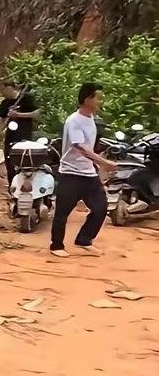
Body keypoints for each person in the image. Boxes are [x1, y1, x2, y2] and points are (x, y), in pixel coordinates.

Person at [50, 83, 113, 257]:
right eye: (98, 98)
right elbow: (81, 148)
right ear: (87, 99)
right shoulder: (74, 121)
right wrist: (103, 162)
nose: (101, 101)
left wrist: (97, 164)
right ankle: (56, 246)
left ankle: (84, 240)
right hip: (70, 173)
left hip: (88, 173)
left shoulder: (91, 118)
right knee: (62, 212)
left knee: (100, 208)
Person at [0, 79, 40, 182]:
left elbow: (37, 114)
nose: (1, 93)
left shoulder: (26, 98)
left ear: (9, 87)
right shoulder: (5, 103)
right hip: (10, 137)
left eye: (2, 90)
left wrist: (18, 115)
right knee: (10, 164)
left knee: (23, 164)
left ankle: (24, 186)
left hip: (24, 137)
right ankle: (12, 187)